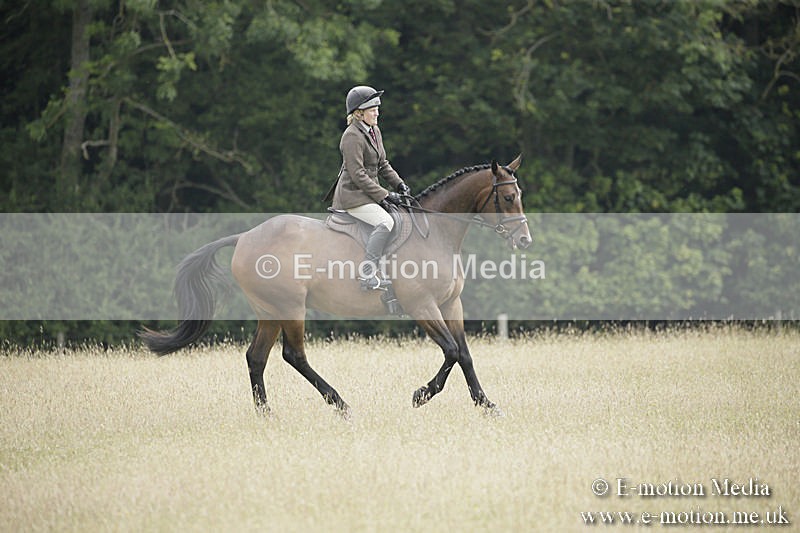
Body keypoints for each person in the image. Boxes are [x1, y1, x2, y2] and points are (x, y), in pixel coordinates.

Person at [330, 85, 411, 290]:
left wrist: (399, 184)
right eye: (372, 109)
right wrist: (385, 195)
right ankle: (367, 274)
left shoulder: (374, 130)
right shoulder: (351, 136)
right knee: (385, 222)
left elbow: (383, 164)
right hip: (352, 196)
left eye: (377, 108)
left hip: (368, 194)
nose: (377, 112)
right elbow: (357, 174)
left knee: (402, 215)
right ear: (359, 113)